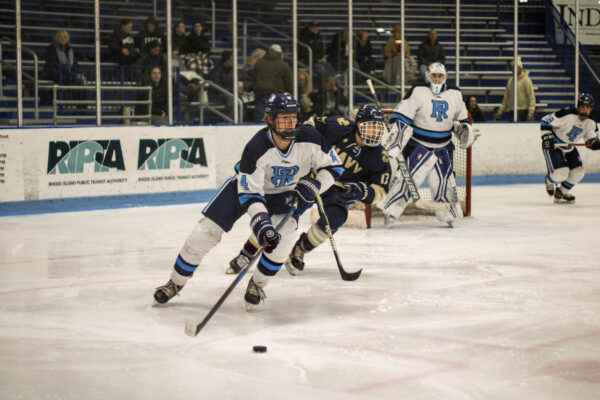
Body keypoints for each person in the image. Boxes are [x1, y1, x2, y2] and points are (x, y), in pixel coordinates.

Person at [153, 93, 342, 308]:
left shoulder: (311, 137)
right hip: (243, 190)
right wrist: (261, 225)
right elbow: (251, 194)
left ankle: (257, 284)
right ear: (270, 119)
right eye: (283, 117)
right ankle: (175, 283)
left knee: (285, 237)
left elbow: (333, 167)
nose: (290, 123)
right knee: (204, 232)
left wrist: (315, 185)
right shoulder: (256, 147)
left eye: (293, 117)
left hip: (285, 194)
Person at [226, 105, 391, 276]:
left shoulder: (380, 156)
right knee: (284, 216)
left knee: (335, 219)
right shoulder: (338, 126)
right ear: (358, 124)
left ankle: (300, 249)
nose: (374, 132)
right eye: (371, 126)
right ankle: (247, 253)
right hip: (310, 178)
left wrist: (361, 191)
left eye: (378, 127)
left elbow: (382, 190)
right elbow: (310, 125)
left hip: (339, 190)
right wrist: (307, 157)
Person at [382, 62, 474, 228]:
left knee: (445, 183)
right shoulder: (418, 90)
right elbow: (404, 113)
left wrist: (464, 132)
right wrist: (396, 127)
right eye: (434, 76)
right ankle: (390, 212)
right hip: (419, 145)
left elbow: (460, 122)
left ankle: (448, 215)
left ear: (445, 77)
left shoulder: (455, 94)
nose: (437, 80)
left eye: (440, 76)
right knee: (405, 181)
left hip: (443, 147)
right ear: (428, 76)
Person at [540, 93, 599, 204]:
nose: (585, 110)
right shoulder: (567, 113)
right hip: (554, 145)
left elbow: (590, 142)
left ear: (591, 109)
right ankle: (549, 180)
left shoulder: (591, 122)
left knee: (579, 171)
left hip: (569, 146)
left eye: (587, 107)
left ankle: (561, 192)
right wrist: (547, 138)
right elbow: (545, 120)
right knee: (561, 173)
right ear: (578, 106)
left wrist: (595, 144)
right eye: (582, 106)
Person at [252, 44, 293, 122]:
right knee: (275, 118)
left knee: (259, 116)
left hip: (261, 93)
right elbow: (288, 83)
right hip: (277, 94)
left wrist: (255, 89)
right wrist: (288, 95)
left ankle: (258, 129)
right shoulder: (283, 65)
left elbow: (253, 79)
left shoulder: (259, 62)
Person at [495, 57, 536, 121]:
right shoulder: (510, 81)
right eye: (513, 67)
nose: (514, 69)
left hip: (523, 110)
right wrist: (500, 111)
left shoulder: (526, 80)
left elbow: (531, 96)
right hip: (512, 110)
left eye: (516, 67)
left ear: (520, 68)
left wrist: (531, 111)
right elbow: (506, 97)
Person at [298, 20, 334, 86]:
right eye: (314, 27)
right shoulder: (304, 38)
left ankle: (331, 85)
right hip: (309, 61)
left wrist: (323, 58)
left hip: (318, 60)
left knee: (329, 66)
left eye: (317, 27)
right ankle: (324, 89)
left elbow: (323, 50)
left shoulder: (319, 37)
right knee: (321, 69)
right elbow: (304, 54)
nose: (316, 28)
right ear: (309, 28)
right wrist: (317, 60)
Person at [206, 51, 234, 115]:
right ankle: (231, 121)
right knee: (231, 99)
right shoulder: (216, 71)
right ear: (227, 60)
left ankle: (241, 119)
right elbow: (217, 88)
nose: (234, 62)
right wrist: (232, 90)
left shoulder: (232, 70)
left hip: (228, 93)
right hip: (216, 96)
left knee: (241, 97)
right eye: (232, 60)